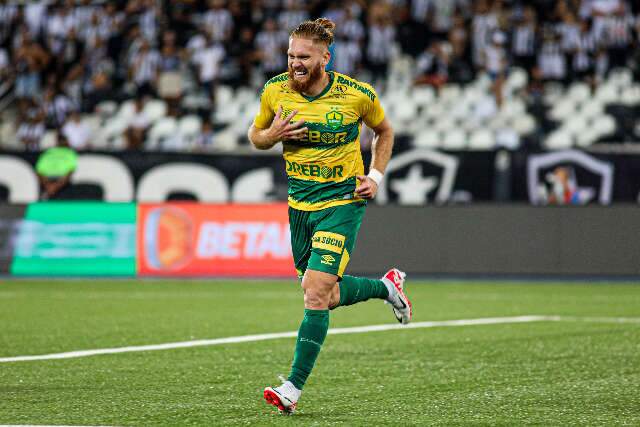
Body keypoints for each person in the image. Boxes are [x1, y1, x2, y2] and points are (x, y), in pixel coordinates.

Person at [247, 18, 412, 415]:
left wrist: (374, 176)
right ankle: (388, 288)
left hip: (342, 200)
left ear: (325, 57)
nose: (294, 63)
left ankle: (292, 389)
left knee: (316, 290)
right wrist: (273, 135)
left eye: (303, 56)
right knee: (327, 294)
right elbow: (256, 136)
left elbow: (384, 132)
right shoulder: (274, 90)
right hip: (299, 205)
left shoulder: (356, 95)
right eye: (290, 55)